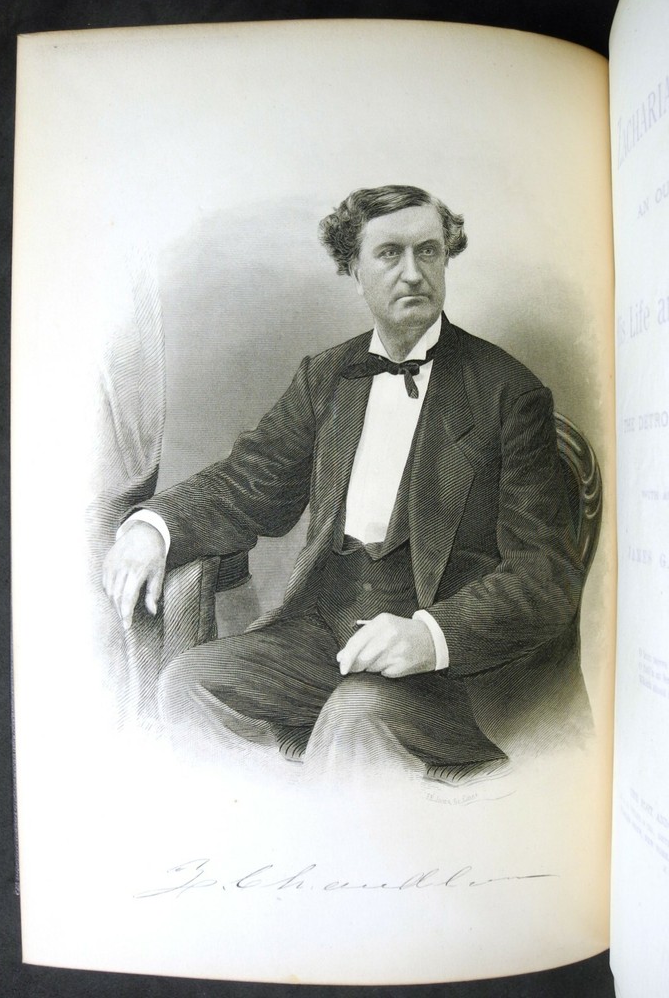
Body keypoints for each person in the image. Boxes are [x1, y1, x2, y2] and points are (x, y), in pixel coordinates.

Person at [102, 184, 590, 782]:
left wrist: (431, 634)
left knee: (354, 714)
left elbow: (545, 575)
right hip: (320, 635)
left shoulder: (508, 393)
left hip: (441, 674)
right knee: (189, 684)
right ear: (354, 269)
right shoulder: (327, 377)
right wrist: (154, 527)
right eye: (389, 253)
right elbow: (247, 483)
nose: (413, 273)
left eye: (428, 251)